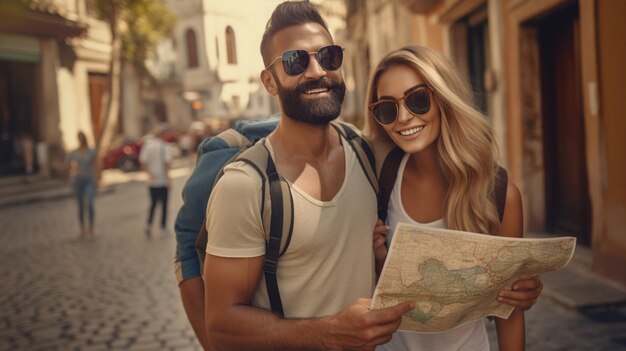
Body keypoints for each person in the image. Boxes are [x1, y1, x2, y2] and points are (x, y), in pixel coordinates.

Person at [177, 2, 542, 350]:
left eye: (328, 56)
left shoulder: (371, 155)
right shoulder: (246, 186)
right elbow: (222, 327)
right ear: (270, 82)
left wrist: (517, 286)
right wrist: (329, 334)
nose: (317, 71)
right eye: (294, 62)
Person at [365, 45, 532, 350]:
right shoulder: (379, 180)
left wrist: (522, 289)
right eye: (388, 108)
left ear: (443, 99)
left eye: (417, 99)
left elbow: (509, 311)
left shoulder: (500, 196)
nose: (403, 118)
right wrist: (378, 263)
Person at [139, 126, 172, 237]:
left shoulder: (147, 146)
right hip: (162, 181)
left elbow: (143, 162)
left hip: (152, 181)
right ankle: (162, 227)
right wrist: (169, 179)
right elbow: (167, 164)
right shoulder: (165, 147)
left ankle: (149, 224)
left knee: (153, 204)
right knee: (164, 204)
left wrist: (149, 174)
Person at [68, 131, 97, 239]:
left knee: (89, 203)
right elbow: (70, 165)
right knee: (80, 205)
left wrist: (97, 179)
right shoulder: (74, 152)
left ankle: (91, 227)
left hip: (89, 179)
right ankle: (82, 228)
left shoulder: (91, 151)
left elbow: (95, 165)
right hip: (78, 180)